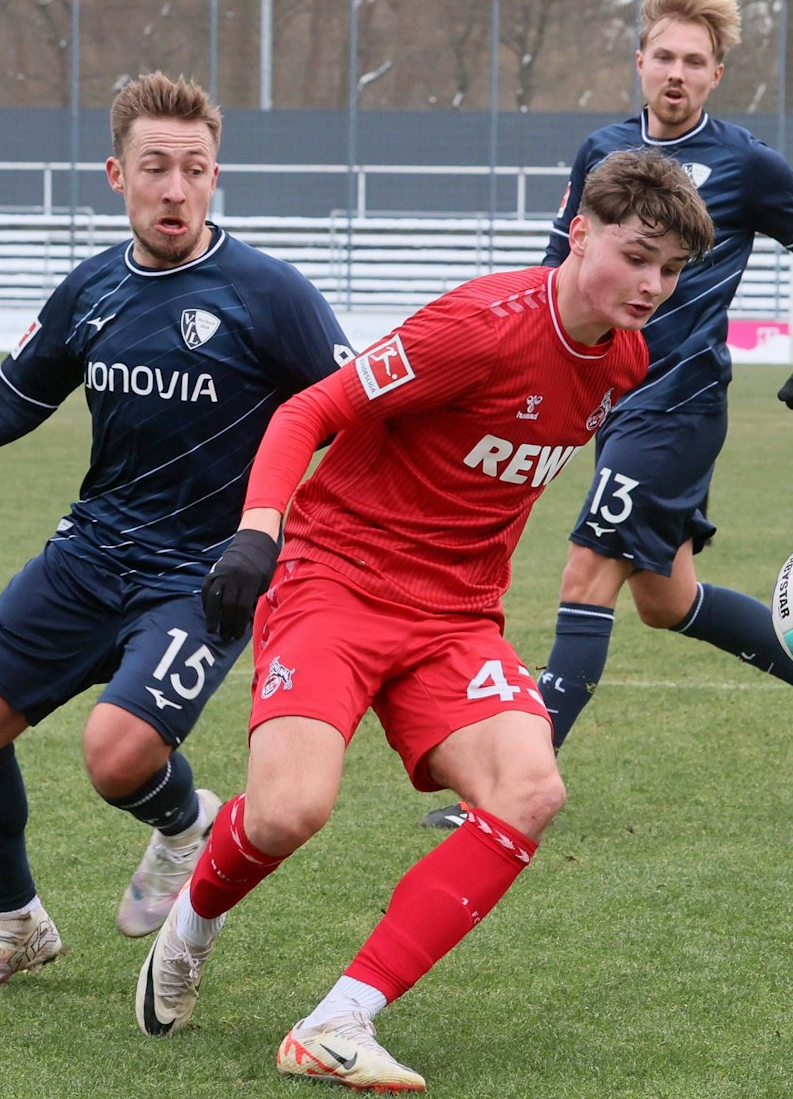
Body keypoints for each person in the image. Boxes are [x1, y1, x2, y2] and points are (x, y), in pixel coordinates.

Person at [131, 150, 713, 1092]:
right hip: (337, 580)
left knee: (530, 791)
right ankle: (191, 923)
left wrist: (671, 523)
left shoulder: (626, 358)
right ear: (581, 233)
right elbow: (308, 410)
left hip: (457, 616)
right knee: (289, 810)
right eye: (638, 255)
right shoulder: (481, 327)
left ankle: (339, 1018)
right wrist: (255, 535)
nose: (653, 284)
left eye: (673, 269)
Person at [0, 73, 352, 991]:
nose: (175, 189)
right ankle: (16, 927)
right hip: (90, 552)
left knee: (116, 754)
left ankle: (186, 823)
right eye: (155, 168)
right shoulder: (90, 289)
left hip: (203, 572)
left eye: (195, 169)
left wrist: (275, 536)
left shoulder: (272, 294)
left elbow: (349, 414)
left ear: (216, 177)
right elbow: (9, 407)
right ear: (116, 174)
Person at [424, 0, 793, 832]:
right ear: (640, 62)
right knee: (665, 600)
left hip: (679, 403)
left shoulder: (747, 163)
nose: (676, 73)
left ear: (716, 75)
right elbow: (558, 263)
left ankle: (512, 785)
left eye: (695, 62)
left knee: (584, 576)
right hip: (611, 402)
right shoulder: (600, 150)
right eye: (663, 57)